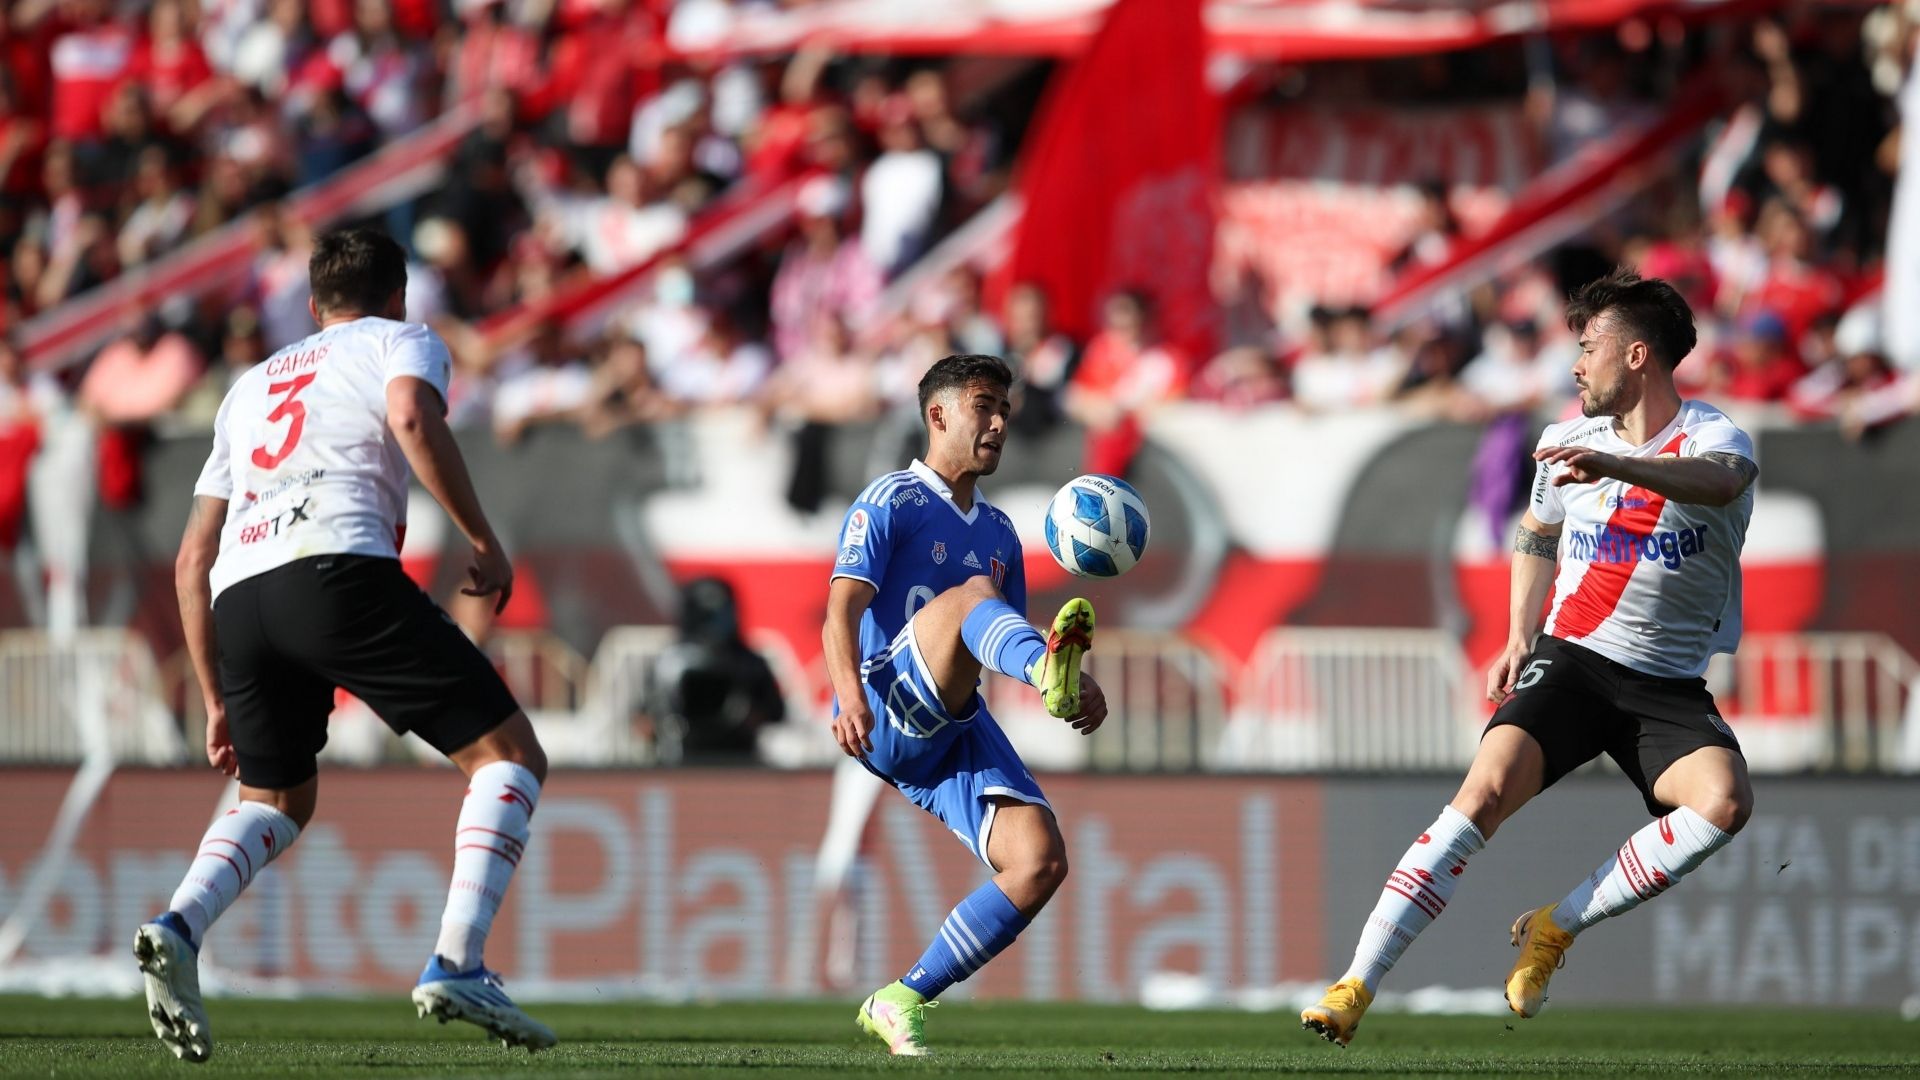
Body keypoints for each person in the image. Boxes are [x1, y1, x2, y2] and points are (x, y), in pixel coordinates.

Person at [1303, 268, 1758, 1045]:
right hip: (1574, 659)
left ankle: (1558, 926)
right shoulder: (1564, 442)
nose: (1576, 365)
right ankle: (1355, 983)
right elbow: (1537, 532)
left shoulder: (1715, 438)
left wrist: (1620, 467)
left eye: (1588, 348)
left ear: (1639, 356)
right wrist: (1518, 632)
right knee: (1481, 793)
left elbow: (1718, 487)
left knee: (1723, 803)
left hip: (1669, 684)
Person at [139, 228, 556, 1062]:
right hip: (335, 567)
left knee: (278, 799)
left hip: (240, 600)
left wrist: (216, 696)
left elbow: (191, 558)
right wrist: (481, 538)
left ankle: (178, 926)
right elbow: (408, 414)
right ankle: (458, 961)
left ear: (311, 306)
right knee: (508, 755)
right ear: (399, 295)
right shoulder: (405, 340)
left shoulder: (249, 385)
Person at [825, 353, 1107, 1056]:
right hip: (888, 699)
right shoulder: (890, 501)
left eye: (1005, 410)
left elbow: (996, 644)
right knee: (971, 596)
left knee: (1039, 860)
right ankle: (1054, 670)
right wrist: (846, 697)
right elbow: (838, 613)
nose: (999, 422)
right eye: (985, 406)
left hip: (953, 719)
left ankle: (901, 997)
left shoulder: (1002, 532)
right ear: (939, 414)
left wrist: (1072, 690)